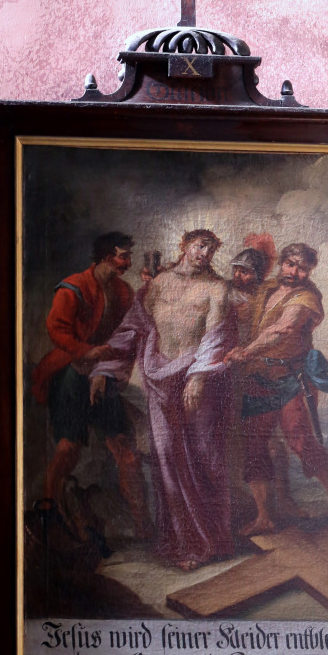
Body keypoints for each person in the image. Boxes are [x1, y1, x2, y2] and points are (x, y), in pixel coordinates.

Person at [90, 229, 235, 570]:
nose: (205, 254)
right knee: (167, 456)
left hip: (196, 381)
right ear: (185, 246)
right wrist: (104, 369)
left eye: (211, 250)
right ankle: (184, 543)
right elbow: (132, 329)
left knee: (204, 455)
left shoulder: (217, 288)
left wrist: (198, 377)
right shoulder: (157, 284)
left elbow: (216, 336)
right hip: (159, 380)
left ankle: (212, 541)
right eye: (200, 246)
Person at [225, 242, 328, 532]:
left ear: (309, 272)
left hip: (289, 379)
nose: (294, 272)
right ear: (282, 263)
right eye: (290, 264)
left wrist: (246, 351)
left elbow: (281, 329)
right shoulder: (267, 288)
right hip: (256, 378)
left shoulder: (306, 298)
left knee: (301, 441)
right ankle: (264, 517)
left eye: (302, 268)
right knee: (254, 445)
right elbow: (242, 308)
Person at [31, 231, 148, 536]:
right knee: (68, 448)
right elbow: (56, 330)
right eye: (123, 256)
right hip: (72, 373)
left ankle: (143, 525)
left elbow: (129, 331)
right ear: (107, 257)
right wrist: (87, 351)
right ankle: (50, 514)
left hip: (104, 376)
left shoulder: (124, 291)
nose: (128, 263)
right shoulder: (73, 287)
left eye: (128, 256)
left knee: (123, 447)